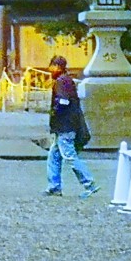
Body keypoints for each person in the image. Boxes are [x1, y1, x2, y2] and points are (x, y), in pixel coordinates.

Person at [43, 55, 101, 196]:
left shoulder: (61, 82)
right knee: (54, 155)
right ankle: (54, 186)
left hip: (65, 125)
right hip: (66, 125)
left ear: (56, 66)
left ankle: (89, 183)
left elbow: (63, 102)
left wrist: (54, 113)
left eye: (52, 66)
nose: (50, 69)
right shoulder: (67, 80)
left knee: (69, 156)